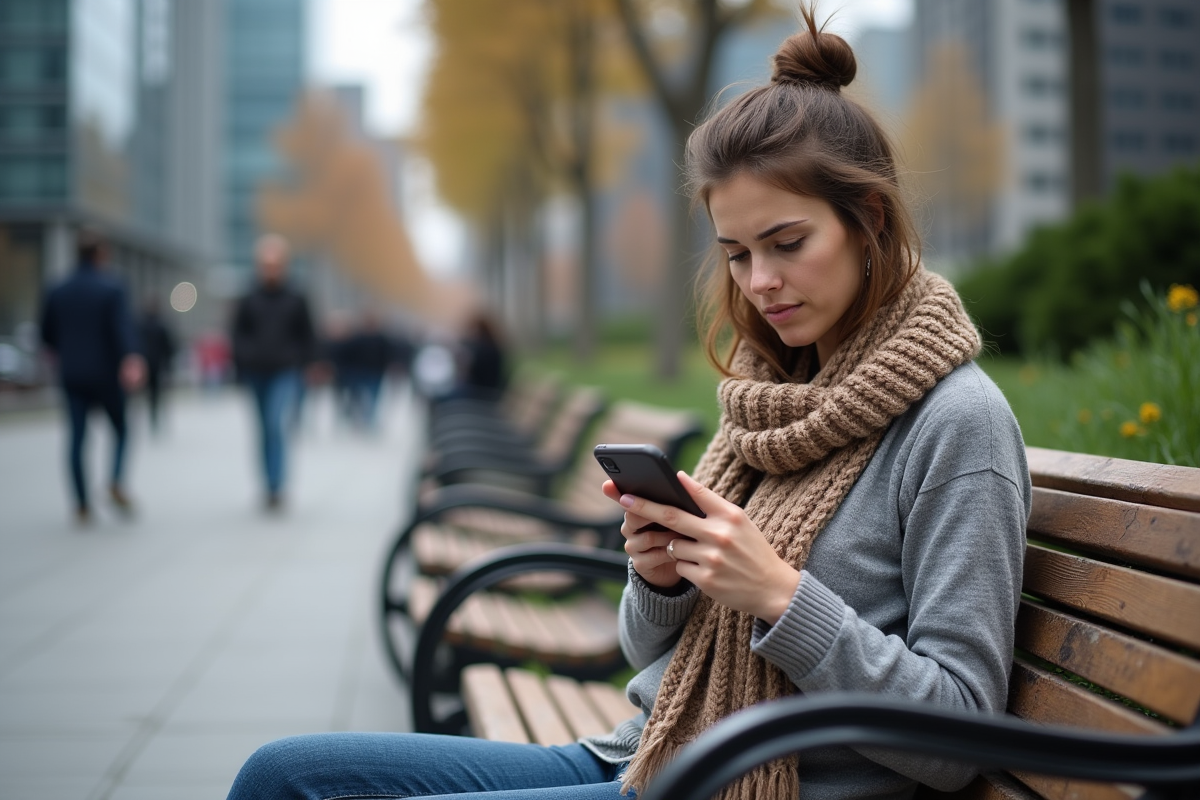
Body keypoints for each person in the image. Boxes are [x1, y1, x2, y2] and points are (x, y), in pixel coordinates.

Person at [225, 7, 1030, 799]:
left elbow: (955, 734)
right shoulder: (773, 400)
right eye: (738, 254)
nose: (760, 282)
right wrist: (662, 578)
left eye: (788, 244)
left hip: (732, 785)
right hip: (642, 753)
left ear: (868, 221)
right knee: (282, 776)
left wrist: (781, 597)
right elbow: (642, 648)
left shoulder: (958, 425)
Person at [40, 233, 145, 524]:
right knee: (122, 428)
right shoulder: (112, 288)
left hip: (72, 374)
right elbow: (122, 328)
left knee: (76, 438)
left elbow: (46, 334)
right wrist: (132, 358)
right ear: (101, 254)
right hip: (106, 374)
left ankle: (81, 504)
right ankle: (115, 479)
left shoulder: (58, 289)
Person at [230, 234, 317, 510]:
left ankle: (278, 485)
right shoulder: (249, 297)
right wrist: (243, 359)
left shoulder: (297, 297)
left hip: (285, 370)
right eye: (265, 264)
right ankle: (268, 484)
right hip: (256, 371)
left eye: (275, 263)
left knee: (275, 424)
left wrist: (309, 362)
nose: (270, 269)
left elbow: (309, 334)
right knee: (263, 430)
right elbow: (237, 333)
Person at [137, 297, 177, 433]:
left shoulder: (141, 324)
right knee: (157, 395)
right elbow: (170, 347)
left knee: (147, 394)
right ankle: (156, 420)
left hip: (144, 365)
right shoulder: (161, 325)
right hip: (157, 365)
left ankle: (151, 419)